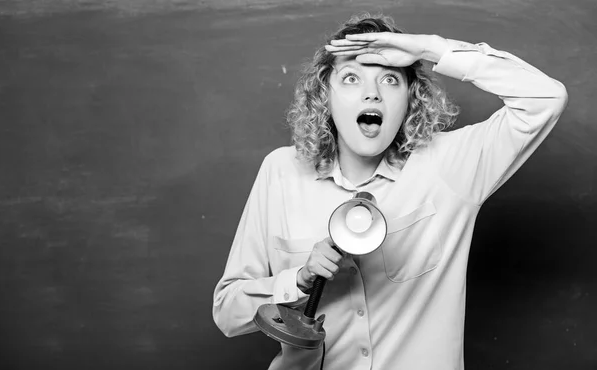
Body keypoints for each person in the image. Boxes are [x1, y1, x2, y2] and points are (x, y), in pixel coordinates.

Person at [212, 13, 568, 370]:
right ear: (325, 96)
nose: (372, 93)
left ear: (411, 99)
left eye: (390, 79)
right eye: (351, 78)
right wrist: (298, 281)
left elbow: (546, 99)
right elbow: (228, 312)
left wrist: (430, 47)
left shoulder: (449, 166)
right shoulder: (281, 171)